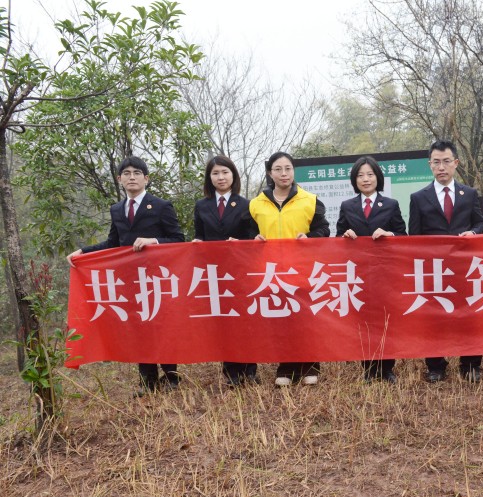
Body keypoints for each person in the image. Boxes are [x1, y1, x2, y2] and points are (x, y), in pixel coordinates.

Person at [67, 156, 185, 396]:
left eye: (137, 173)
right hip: (130, 280)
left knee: (160, 327)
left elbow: (178, 239)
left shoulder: (161, 206)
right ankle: (147, 382)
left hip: (157, 279)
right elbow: (113, 242)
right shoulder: (117, 209)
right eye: (127, 173)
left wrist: (153, 241)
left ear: (146, 179)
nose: (132, 177)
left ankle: (171, 377)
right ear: (119, 179)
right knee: (139, 328)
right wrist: (83, 252)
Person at [409, 140, 483, 383]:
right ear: (429, 165)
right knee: (434, 318)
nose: (441, 167)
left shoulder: (469, 194)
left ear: (456, 163)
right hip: (434, 268)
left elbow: (480, 223)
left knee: (469, 316)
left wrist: (473, 232)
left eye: (446, 161)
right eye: (436, 162)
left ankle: (470, 364)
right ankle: (436, 365)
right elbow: (414, 236)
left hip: (465, 267)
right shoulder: (418, 198)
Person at [250, 151, 330, 387]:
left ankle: (310, 365)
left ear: (294, 171)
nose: (283, 173)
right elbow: (248, 233)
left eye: (288, 168)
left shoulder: (310, 200)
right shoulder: (256, 204)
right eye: (278, 169)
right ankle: (285, 366)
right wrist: (254, 238)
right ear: (270, 173)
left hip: (303, 269)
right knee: (281, 319)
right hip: (272, 271)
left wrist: (309, 237)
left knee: (306, 318)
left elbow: (324, 230)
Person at [337, 156, 408, 384]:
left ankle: (387, 368)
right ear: (354, 180)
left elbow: (403, 235)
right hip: (358, 273)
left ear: (378, 177)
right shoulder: (347, 206)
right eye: (360, 175)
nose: (365, 179)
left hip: (385, 272)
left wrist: (389, 235)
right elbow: (337, 238)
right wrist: (345, 236)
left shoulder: (391, 204)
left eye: (370, 174)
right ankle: (368, 368)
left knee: (386, 320)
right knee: (363, 321)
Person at [193, 155, 259, 387]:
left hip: (241, 271)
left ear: (233, 175)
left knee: (245, 320)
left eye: (225, 172)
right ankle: (231, 373)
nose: (221, 177)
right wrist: (197, 243)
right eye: (215, 173)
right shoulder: (202, 206)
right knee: (225, 322)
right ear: (209, 178)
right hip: (215, 273)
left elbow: (253, 236)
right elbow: (200, 235)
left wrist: (240, 243)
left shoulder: (247, 204)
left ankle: (250, 371)